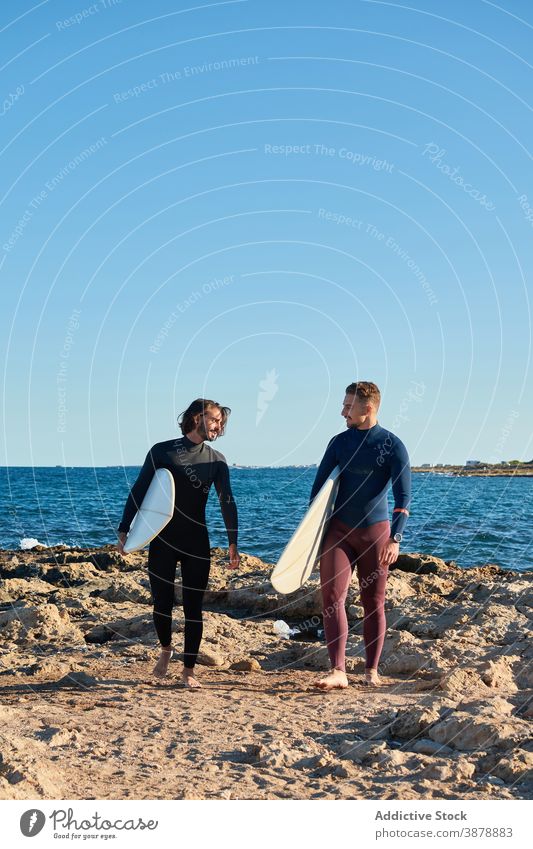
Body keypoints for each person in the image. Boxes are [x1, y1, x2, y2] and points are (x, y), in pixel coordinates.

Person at [116, 398, 239, 688]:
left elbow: (226, 501)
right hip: (163, 540)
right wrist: (125, 529)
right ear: (197, 417)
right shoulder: (163, 452)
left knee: (193, 607)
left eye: (221, 422)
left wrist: (233, 541)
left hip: (197, 540)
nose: (218, 426)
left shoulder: (216, 460)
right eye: (214, 420)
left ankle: (188, 672)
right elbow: (140, 489)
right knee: (162, 603)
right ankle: (165, 649)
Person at [310, 381, 411, 691]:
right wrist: (311, 542)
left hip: (376, 535)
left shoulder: (392, 445)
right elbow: (317, 494)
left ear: (367, 408)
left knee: (373, 602)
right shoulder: (338, 443)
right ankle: (338, 670)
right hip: (338, 531)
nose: (342, 411)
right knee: (331, 599)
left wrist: (396, 539)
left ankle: (371, 670)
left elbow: (403, 496)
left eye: (348, 406)